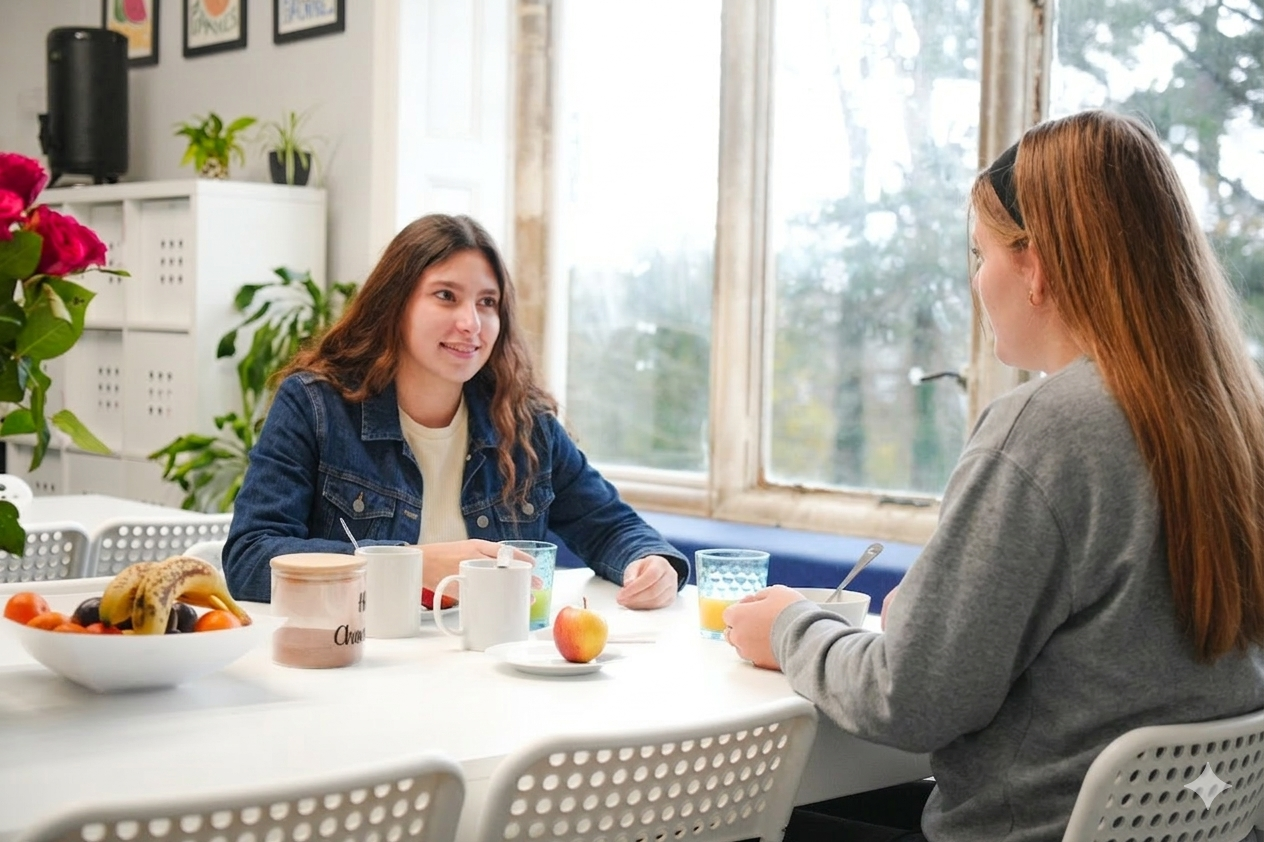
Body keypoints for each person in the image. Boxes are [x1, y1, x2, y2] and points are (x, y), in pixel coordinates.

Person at [724, 109, 1264, 842]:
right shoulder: (1235, 415)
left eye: (979, 254)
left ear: (1035, 265)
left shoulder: (1049, 425)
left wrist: (788, 626)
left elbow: (907, 699)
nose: (978, 281)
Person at [223, 213, 688, 609]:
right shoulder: (314, 406)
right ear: (395, 305)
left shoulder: (523, 421)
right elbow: (250, 558)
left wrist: (650, 563)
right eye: (446, 295)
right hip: (357, 666)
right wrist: (411, 564)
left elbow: (611, 526)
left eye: (487, 303)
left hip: (491, 670)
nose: (470, 323)